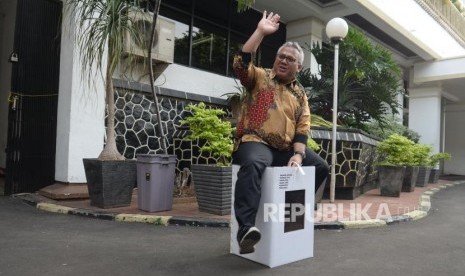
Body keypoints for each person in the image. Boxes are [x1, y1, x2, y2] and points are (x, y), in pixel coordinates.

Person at [232, 11, 330, 254]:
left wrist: (298, 155)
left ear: (299, 67)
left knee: (319, 166)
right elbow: (241, 64)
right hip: (256, 142)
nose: (283, 61)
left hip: (284, 149)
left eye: (290, 59)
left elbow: (302, 127)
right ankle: (245, 229)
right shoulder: (261, 77)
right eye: (280, 56)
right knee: (255, 162)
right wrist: (260, 32)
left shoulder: (300, 94)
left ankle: (295, 211)